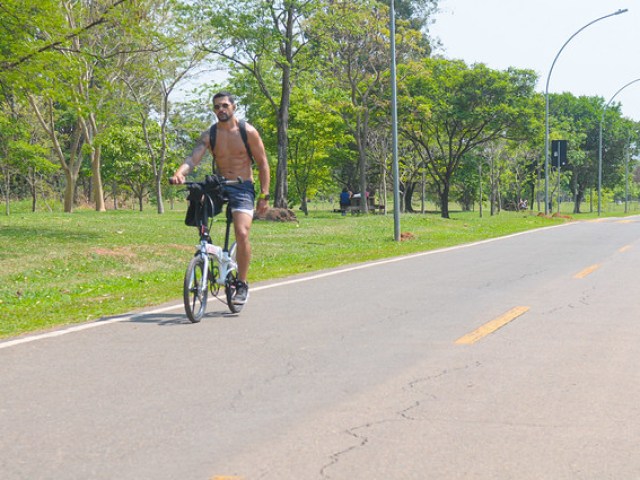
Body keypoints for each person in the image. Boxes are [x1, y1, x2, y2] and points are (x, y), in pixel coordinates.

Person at [171, 92, 270, 305]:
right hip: (219, 185)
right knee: (198, 202)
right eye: (217, 107)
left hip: (242, 186)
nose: (221, 110)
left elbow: (262, 163)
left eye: (224, 105)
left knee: (242, 232)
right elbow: (193, 158)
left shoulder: (248, 131)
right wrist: (181, 173)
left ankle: (242, 283)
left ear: (234, 107)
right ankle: (208, 255)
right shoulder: (210, 134)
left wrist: (264, 195)